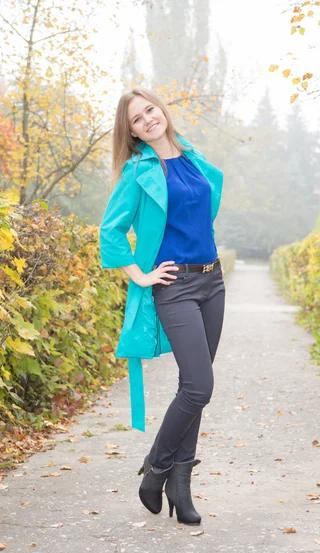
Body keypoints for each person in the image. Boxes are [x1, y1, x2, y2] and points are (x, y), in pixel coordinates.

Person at [99, 87, 225, 526]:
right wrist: (141, 275)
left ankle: (180, 483)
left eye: (150, 109)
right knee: (199, 388)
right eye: (137, 119)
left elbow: (203, 213)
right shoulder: (138, 172)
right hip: (174, 288)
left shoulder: (193, 158)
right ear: (131, 132)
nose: (148, 119)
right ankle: (156, 470)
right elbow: (110, 232)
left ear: (162, 110)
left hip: (213, 281)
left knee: (193, 386)